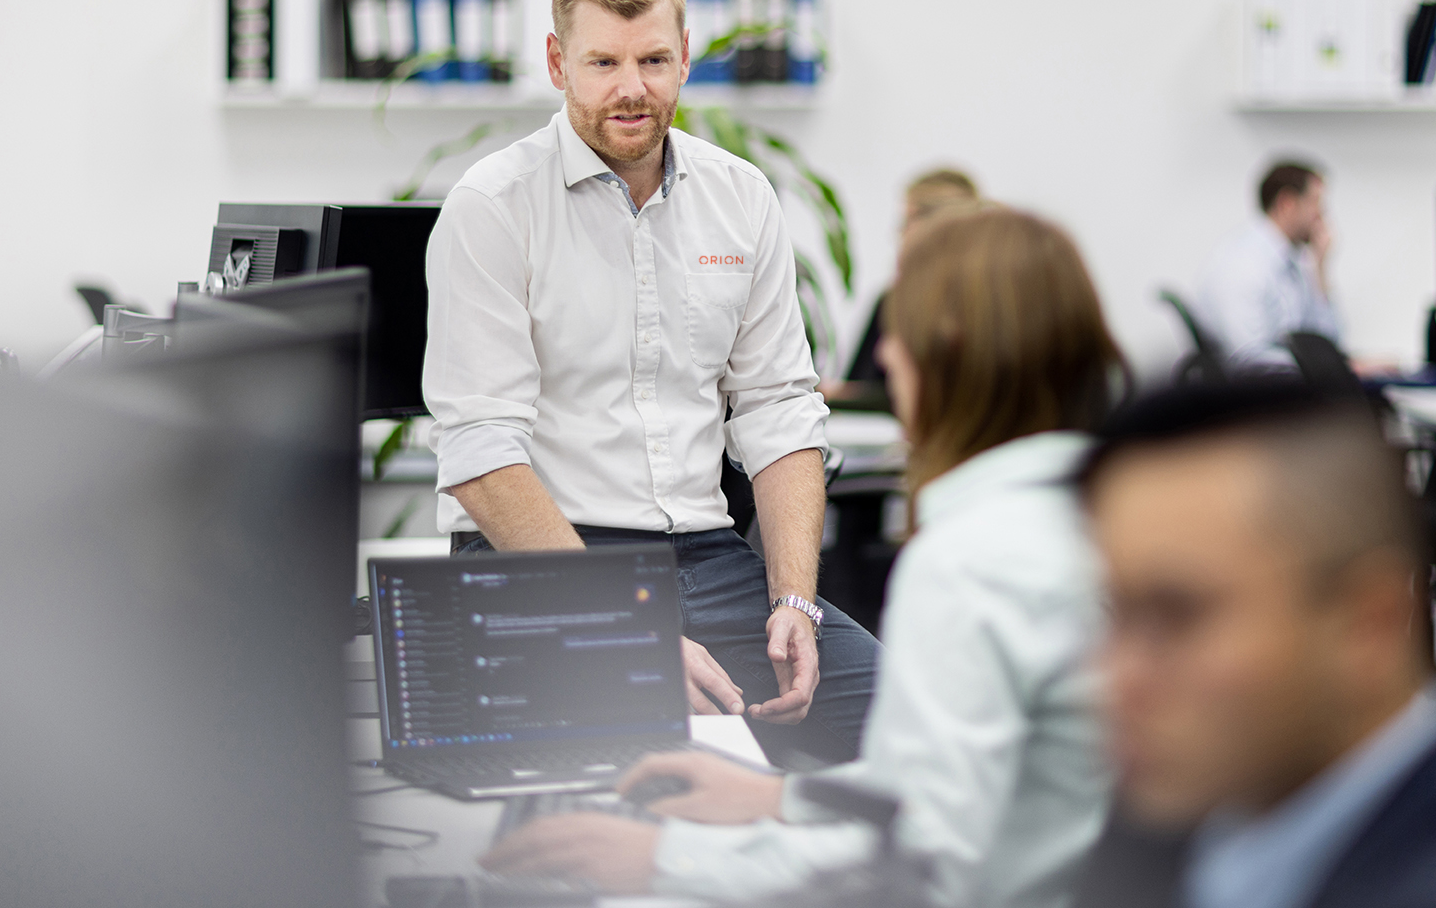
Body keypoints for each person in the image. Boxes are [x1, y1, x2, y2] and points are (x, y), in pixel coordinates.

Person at [482, 207, 1126, 908]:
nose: (884, 357)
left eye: (898, 333)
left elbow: (929, 864)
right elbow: (955, 789)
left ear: (948, 347)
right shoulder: (1099, 519)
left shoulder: (974, 564)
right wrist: (780, 795)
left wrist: (668, 857)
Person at [422, 0, 877, 764]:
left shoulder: (740, 197)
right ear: (558, 62)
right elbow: (481, 450)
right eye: (603, 61)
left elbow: (779, 410)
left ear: (685, 57)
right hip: (546, 557)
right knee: (628, 761)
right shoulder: (492, 207)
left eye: (653, 60)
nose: (631, 88)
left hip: (708, 556)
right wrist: (624, 629)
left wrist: (794, 601)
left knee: (889, 725)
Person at [1071, 381, 1436, 908]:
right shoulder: (1187, 809)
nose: (1119, 678)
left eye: (1178, 617)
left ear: (1372, 625)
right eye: (1115, 614)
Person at [825, 167, 982, 406]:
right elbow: (860, 384)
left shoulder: (977, 307)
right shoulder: (892, 300)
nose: (899, 234)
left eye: (906, 221)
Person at [1197, 161, 1339, 370]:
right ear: (1286, 203)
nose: (1322, 216)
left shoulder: (1289, 265)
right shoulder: (1244, 264)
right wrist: (1324, 367)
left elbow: (1328, 342)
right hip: (1260, 395)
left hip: (1287, 387)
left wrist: (1321, 268)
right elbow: (1251, 359)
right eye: (1316, 203)